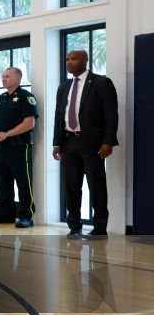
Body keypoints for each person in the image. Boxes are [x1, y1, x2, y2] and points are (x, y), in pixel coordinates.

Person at [52, 50, 118, 238]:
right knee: (71, 186)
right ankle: (74, 226)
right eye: (67, 59)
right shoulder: (63, 86)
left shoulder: (101, 83)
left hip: (93, 143)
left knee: (96, 186)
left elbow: (111, 114)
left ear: (85, 60)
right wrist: (56, 142)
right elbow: (59, 116)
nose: (69, 62)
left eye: (73, 59)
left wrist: (108, 141)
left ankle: (99, 228)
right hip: (68, 141)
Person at [0, 67, 37, 228]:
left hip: (19, 147)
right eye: (3, 76)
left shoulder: (26, 97)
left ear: (18, 79)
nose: (4, 79)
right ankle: (6, 214)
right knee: (3, 181)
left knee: (23, 182)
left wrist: (8, 133)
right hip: (1, 147)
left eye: (7, 76)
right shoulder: (0, 98)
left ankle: (26, 216)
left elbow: (30, 123)